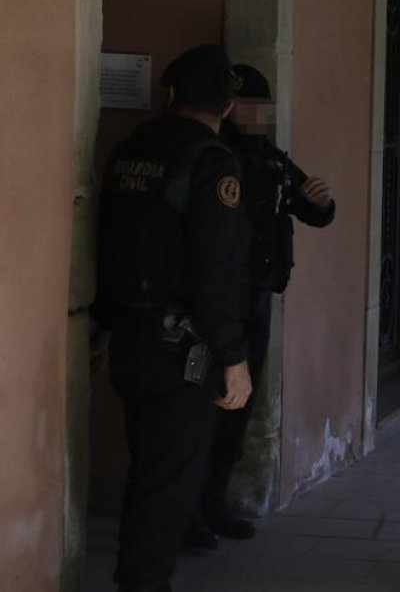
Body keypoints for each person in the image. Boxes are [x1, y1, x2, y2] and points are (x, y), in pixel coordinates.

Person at [92, 44, 252, 592]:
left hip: (128, 335)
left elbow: (108, 243)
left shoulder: (128, 150)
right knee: (170, 480)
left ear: (169, 96)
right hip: (181, 349)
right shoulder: (212, 162)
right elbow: (215, 270)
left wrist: (104, 324)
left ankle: (136, 574)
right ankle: (142, 583)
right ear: (228, 107)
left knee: (148, 466)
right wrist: (234, 356)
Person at [185, 64, 337, 548]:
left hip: (255, 297)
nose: (259, 114)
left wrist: (319, 202)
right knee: (201, 409)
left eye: (264, 106)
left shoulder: (267, 157)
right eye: (251, 105)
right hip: (214, 301)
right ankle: (187, 511)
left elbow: (307, 206)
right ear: (229, 107)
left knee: (237, 410)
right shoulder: (213, 156)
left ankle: (214, 501)